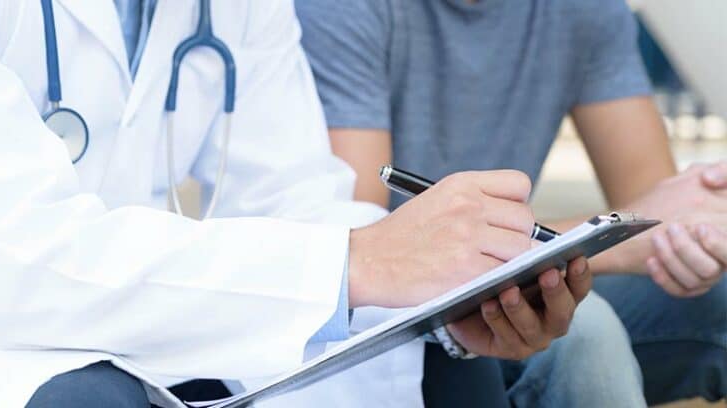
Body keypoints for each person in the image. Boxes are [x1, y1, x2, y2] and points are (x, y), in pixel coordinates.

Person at [0, 1, 591, 407]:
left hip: (154, 313)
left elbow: (295, 198)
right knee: (92, 402)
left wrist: (445, 300)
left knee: (447, 364)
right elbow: (19, 258)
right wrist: (360, 261)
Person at [296, 0, 727, 406]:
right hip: (389, 321)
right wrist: (609, 240)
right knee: (587, 333)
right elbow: (360, 254)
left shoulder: (580, 8)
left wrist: (698, 227)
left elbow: (656, 206)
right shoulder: (343, 9)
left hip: (514, 280)